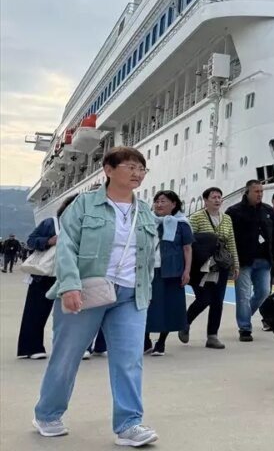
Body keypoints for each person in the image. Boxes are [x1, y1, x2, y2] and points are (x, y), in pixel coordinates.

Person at [33, 147, 160, 446]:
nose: (137, 173)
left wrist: (146, 290)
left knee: (129, 360)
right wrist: (69, 286)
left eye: (141, 169)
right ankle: (47, 414)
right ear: (108, 169)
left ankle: (129, 424)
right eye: (130, 167)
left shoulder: (145, 211)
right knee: (66, 357)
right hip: (85, 290)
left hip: (130, 295)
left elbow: (149, 255)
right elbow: (66, 246)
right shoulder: (84, 204)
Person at [17, 195, 78, 359]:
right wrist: (48, 241)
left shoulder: (85, 225)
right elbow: (31, 241)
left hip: (71, 274)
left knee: (72, 313)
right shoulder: (51, 223)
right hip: (45, 274)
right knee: (36, 311)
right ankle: (32, 348)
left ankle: (72, 348)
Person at [182, 187, 238, 349]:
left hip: (220, 265)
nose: (217, 200)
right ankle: (185, 322)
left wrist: (235, 264)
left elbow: (231, 241)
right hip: (201, 266)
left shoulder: (226, 219)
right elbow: (188, 241)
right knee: (204, 298)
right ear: (205, 200)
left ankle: (212, 336)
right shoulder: (196, 218)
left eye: (219, 197)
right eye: (213, 197)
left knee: (218, 300)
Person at [227, 180, 274, 342]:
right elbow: (229, 236)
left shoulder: (268, 211)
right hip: (243, 260)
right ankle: (245, 328)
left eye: (261, 191)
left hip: (264, 259)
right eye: (256, 191)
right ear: (247, 192)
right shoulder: (234, 211)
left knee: (264, 292)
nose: (260, 194)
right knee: (243, 295)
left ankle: (245, 315)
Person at [143, 191, 192, 356]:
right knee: (147, 306)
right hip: (149, 269)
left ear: (174, 204)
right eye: (157, 201)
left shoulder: (182, 224)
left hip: (172, 270)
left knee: (170, 307)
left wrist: (187, 271)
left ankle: (161, 342)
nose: (159, 204)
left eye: (163, 201)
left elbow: (187, 248)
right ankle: (145, 340)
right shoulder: (147, 221)